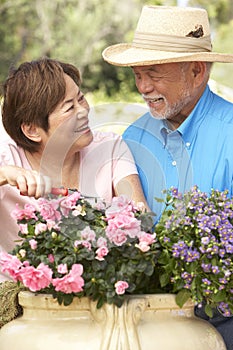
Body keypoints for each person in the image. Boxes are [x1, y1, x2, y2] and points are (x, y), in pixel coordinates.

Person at [102, 5, 233, 349]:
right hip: (152, 321)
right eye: (137, 74)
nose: (143, 87)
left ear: (196, 70)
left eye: (154, 74)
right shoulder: (132, 138)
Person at [0, 57, 149, 281]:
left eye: (81, 98)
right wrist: (4, 175)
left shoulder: (109, 148)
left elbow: (142, 218)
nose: (84, 111)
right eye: (70, 108)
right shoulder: (6, 157)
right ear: (32, 130)